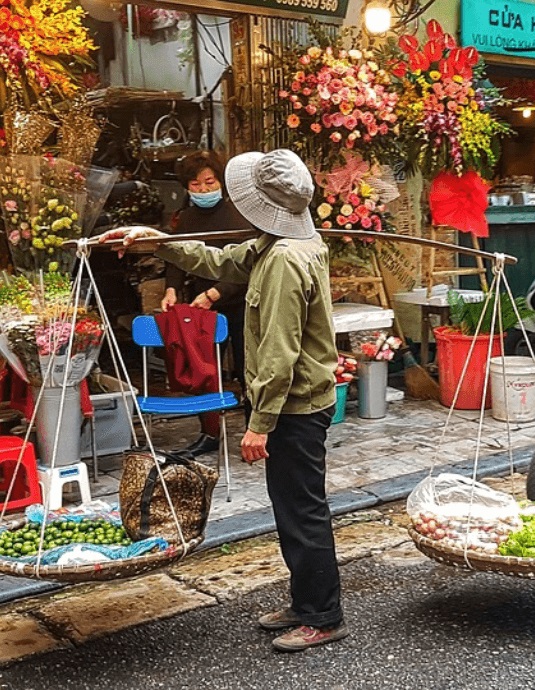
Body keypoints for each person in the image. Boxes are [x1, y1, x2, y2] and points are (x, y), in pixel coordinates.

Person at [102, 149, 346, 653]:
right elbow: (218, 260)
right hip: (294, 402)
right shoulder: (277, 243)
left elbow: (279, 353)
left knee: (303, 510)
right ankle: (306, 601)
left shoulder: (285, 260)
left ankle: (323, 614)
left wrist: (259, 425)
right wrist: (157, 242)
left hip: (296, 406)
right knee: (290, 506)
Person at [163, 151, 250, 457]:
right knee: (205, 370)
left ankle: (257, 432)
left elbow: (248, 266)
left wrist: (216, 293)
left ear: (220, 181)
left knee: (247, 368)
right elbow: (176, 255)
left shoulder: (239, 214)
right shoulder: (186, 218)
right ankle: (210, 433)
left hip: (240, 302)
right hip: (203, 308)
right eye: (195, 185)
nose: (203, 189)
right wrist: (171, 288)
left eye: (209, 182)